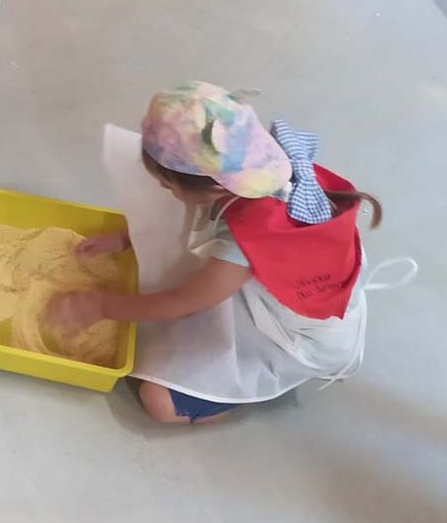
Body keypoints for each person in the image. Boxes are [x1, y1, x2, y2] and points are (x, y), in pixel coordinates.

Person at [49, 82, 392, 424]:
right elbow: (188, 218)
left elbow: (180, 304)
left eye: (167, 185)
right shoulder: (252, 165)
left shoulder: (248, 239)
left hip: (296, 340)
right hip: (280, 288)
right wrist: (126, 237)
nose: (160, 189)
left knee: (159, 402)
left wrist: (100, 306)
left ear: (214, 188)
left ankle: (254, 393)